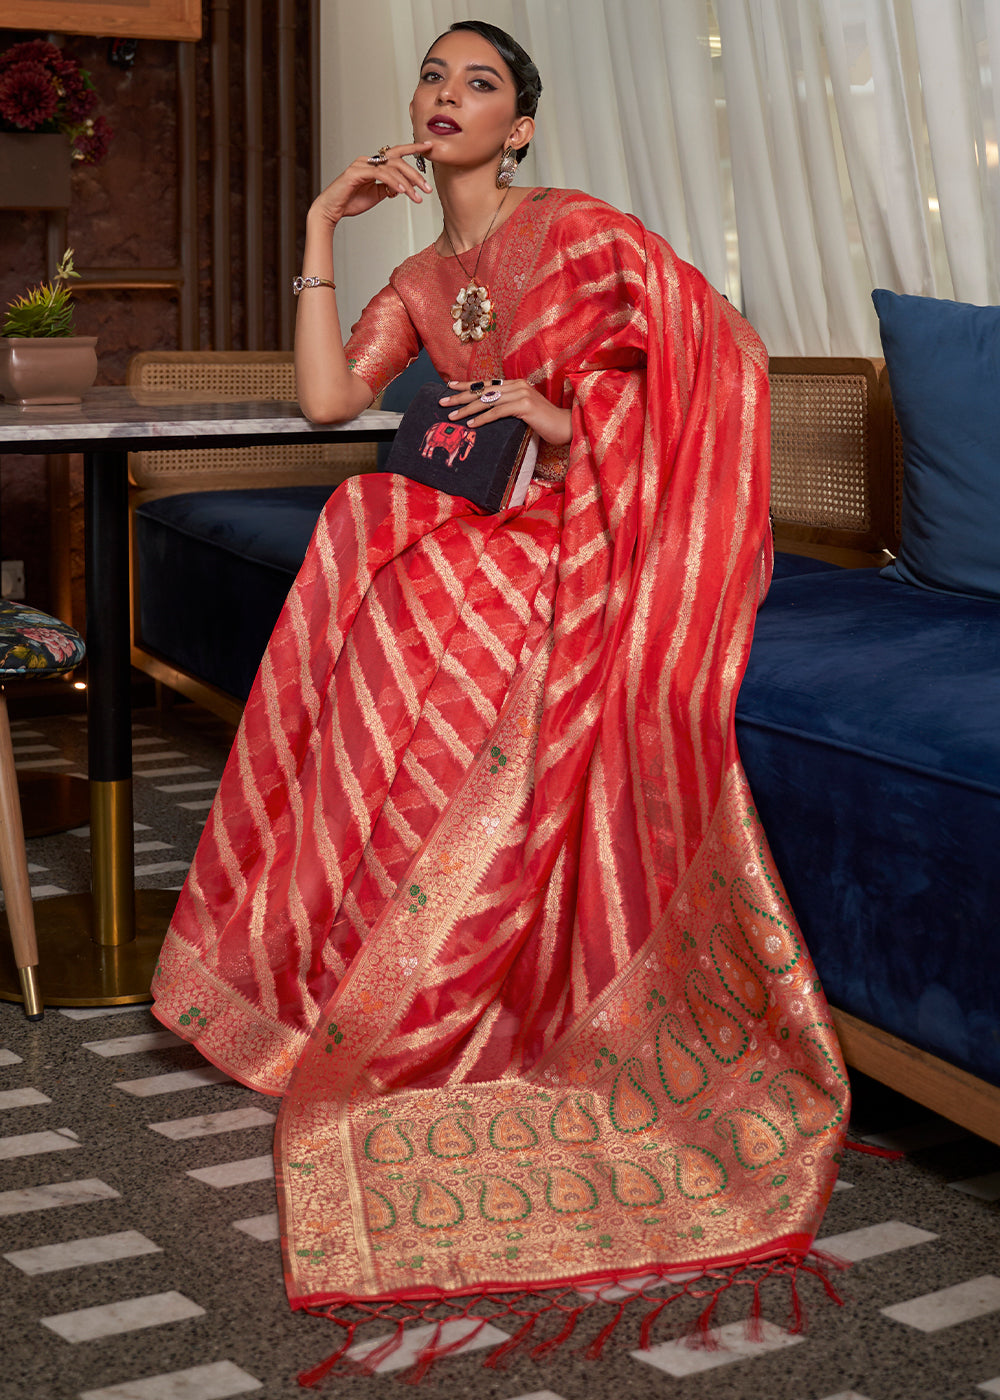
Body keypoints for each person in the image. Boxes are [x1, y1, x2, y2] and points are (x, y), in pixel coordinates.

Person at [152, 19, 848, 1372]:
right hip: (481, 528)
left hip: (585, 528)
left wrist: (558, 419)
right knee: (365, 518)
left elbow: (724, 365)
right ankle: (358, 952)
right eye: (433, 76)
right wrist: (320, 227)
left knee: (421, 578)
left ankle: (436, 956)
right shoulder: (420, 275)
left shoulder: (579, 231)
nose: (447, 95)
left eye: (478, 83)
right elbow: (324, 401)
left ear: (518, 127)